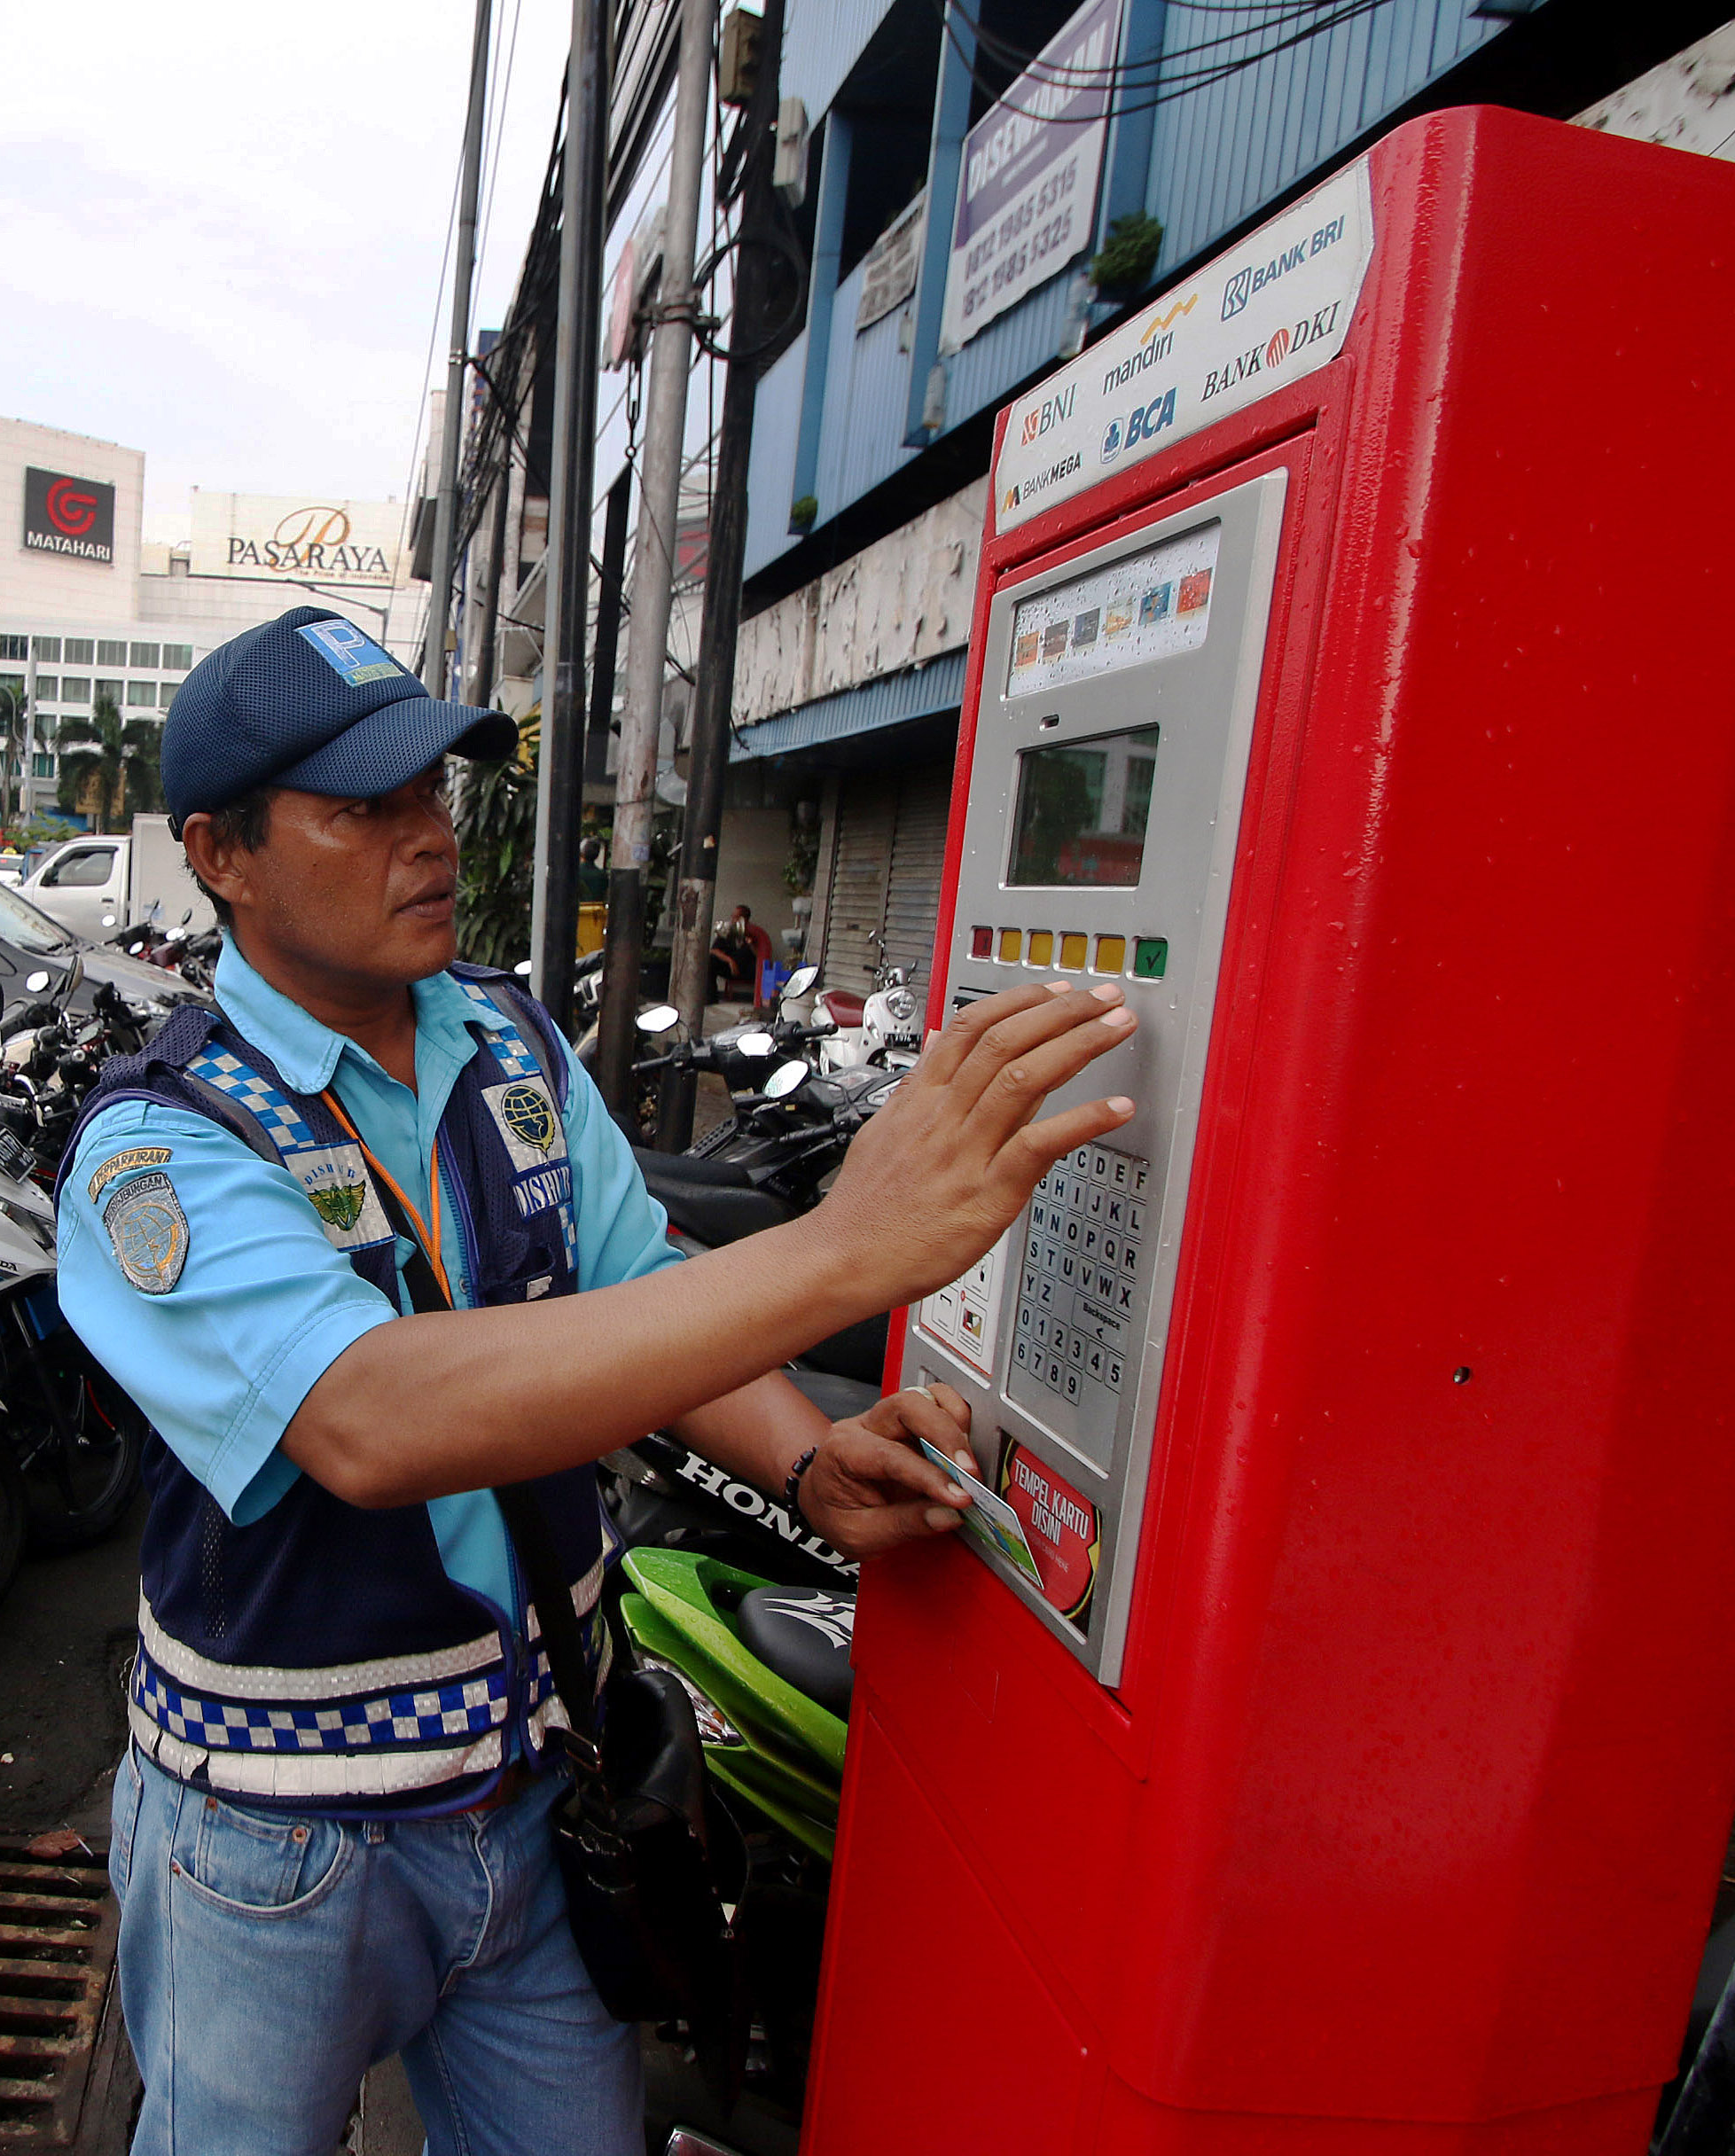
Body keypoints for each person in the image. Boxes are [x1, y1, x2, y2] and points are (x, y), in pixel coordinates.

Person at [55, 606, 1138, 2156]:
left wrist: (806, 1463)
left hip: (535, 1786)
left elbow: (634, 1286)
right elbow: (372, 1418)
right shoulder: (155, 1147)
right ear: (219, 853)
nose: (426, 841)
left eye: (432, 796)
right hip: (275, 1844)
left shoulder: (504, 1038)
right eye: (363, 810)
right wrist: (850, 1251)